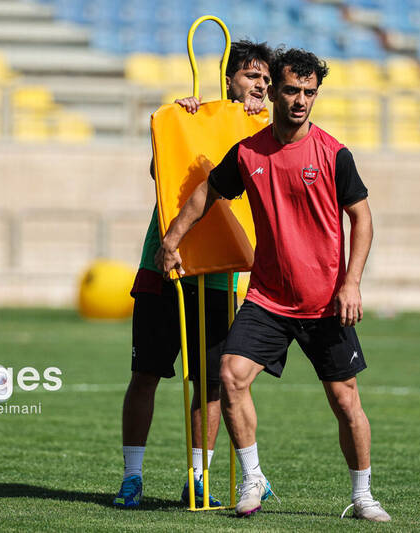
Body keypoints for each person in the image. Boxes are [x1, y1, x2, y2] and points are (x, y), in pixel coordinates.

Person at [155, 48, 391, 522]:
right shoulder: (249, 152)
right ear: (275, 93)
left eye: (310, 92)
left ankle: (364, 495)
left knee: (346, 402)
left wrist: (352, 284)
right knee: (230, 374)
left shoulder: (334, 154)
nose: (301, 100)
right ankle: (253, 477)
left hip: (325, 302)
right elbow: (206, 192)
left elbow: (361, 219)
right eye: (291, 90)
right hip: (268, 298)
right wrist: (172, 240)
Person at [113, 40, 274, 509]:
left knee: (209, 383)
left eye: (265, 79)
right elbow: (158, 172)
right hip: (162, 264)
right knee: (146, 373)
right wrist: (181, 123)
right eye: (250, 76)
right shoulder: (193, 116)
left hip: (221, 273)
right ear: (229, 79)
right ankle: (132, 476)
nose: (260, 86)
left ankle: (198, 477)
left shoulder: (266, 131)